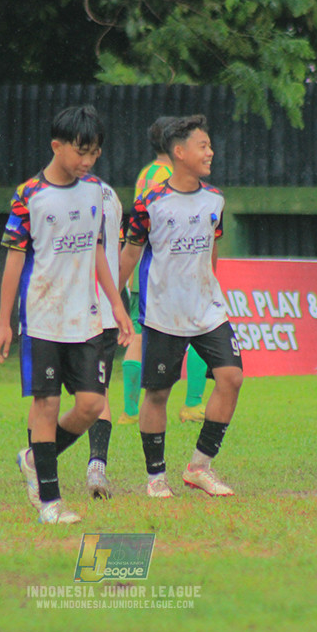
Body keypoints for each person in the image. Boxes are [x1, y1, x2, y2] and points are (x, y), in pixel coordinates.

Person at [0, 105, 132, 524]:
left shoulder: (95, 194)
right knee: (47, 404)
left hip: (86, 318)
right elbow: (14, 261)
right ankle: (50, 503)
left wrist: (117, 304)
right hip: (42, 318)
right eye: (80, 152)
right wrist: (3, 323)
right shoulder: (29, 195)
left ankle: (35, 459)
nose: (87, 161)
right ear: (57, 146)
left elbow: (97, 253)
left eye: (94, 153)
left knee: (90, 404)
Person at [119, 114, 244, 499]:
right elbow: (131, 252)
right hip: (164, 314)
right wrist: (111, 303)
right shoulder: (150, 203)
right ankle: (156, 476)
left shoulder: (215, 199)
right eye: (203, 146)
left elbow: (212, 246)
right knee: (157, 394)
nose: (210, 152)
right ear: (179, 152)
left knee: (231, 378)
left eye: (209, 145)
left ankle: (199, 467)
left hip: (208, 310)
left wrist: (210, 286)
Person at [119, 116, 211, 426]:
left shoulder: (146, 173)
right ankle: (192, 403)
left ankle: (130, 410)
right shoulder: (170, 176)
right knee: (196, 330)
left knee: (138, 334)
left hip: (139, 273)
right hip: (165, 272)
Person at [84, 167, 125, 500]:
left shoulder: (54, 193)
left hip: (73, 311)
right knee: (98, 393)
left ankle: (40, 466)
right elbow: (118, 252)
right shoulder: (111, 194)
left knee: (48, 397)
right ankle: (96, 466)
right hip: (104, 312)